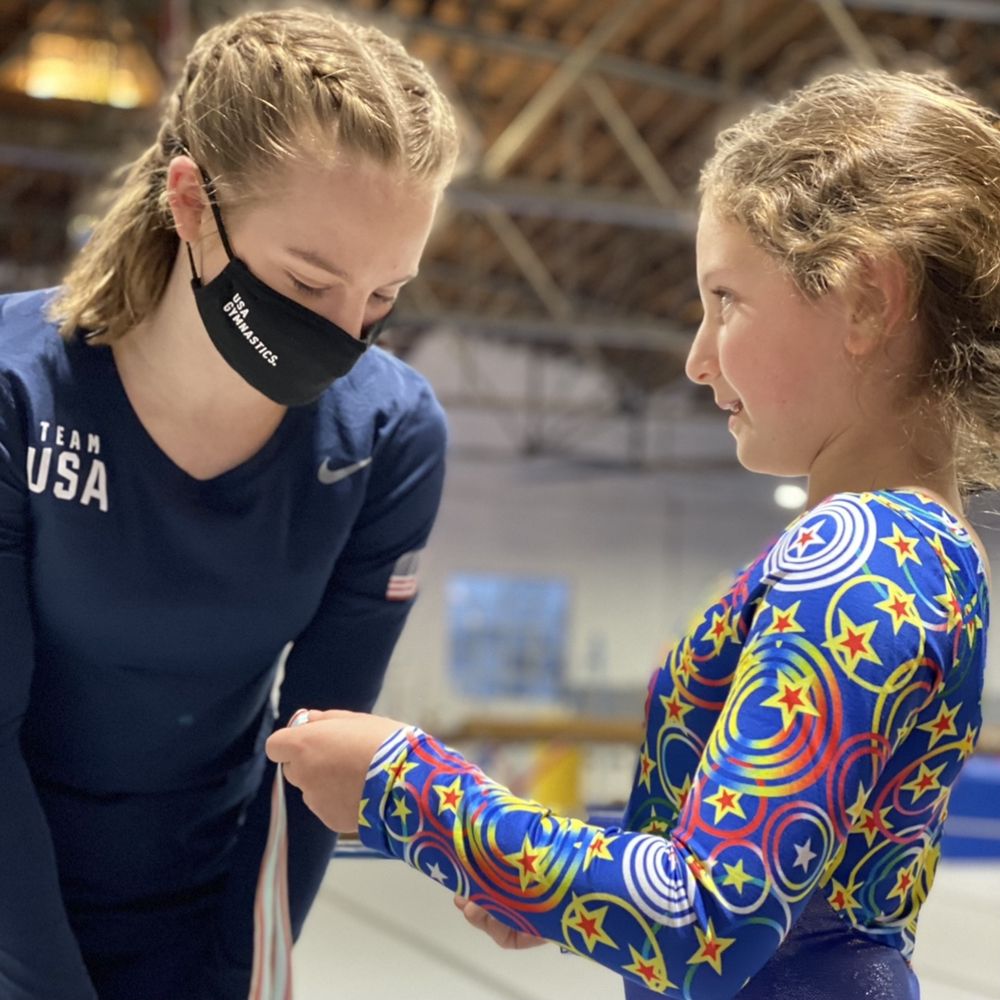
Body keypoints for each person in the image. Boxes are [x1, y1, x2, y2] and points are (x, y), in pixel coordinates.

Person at [267, 69, 998, 999]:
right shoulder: (928, 547)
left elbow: (703, 922)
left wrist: (405, 788)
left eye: (726, 300)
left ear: (865, 300)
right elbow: (774, 879)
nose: (696, 358)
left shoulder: (861, 559)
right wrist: (530, 876)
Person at [0, 7, 458, 1000]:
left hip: (200, 912)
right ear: (192, 205)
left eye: (384, 296)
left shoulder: (386, 437)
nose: (346, 333)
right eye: (309, 282)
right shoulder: (17, 392)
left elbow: (316, 754)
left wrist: (239, 974)